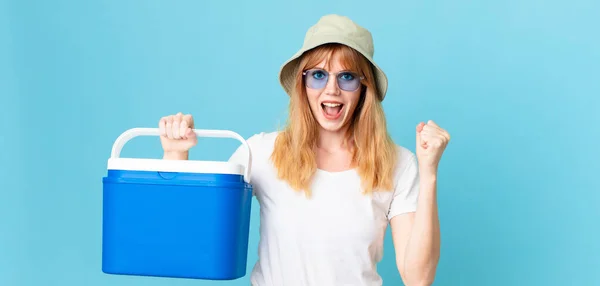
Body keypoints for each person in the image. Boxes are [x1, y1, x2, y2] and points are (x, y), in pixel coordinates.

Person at [158, 14, 450, 286]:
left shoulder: (398, 163)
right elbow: (192, 236)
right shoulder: (261, 152)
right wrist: (174, 156)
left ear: (364, 88)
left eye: (346, 76)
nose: (331, 90)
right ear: (303, 84)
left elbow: (417, 278)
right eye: (318, 75)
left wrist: (429, 173)